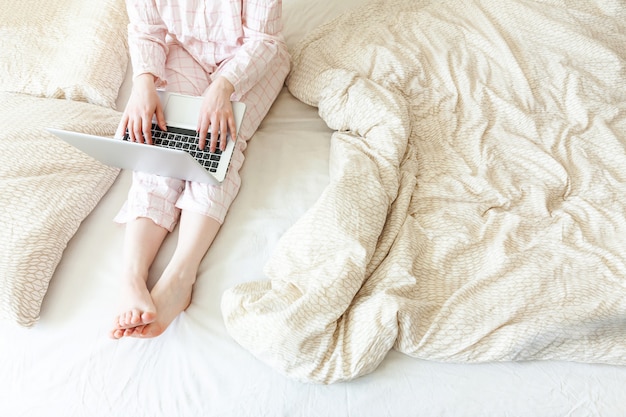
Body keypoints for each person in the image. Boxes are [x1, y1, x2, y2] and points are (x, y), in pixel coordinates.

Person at [110, 0, 290, 339]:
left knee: (218, 149)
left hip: (250, 57)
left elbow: (264, 40)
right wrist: (144, 83)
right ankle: (132, 277)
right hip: (184, 52)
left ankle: (180, 277)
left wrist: (223, 86)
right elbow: (147, 29)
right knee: (159, 145)